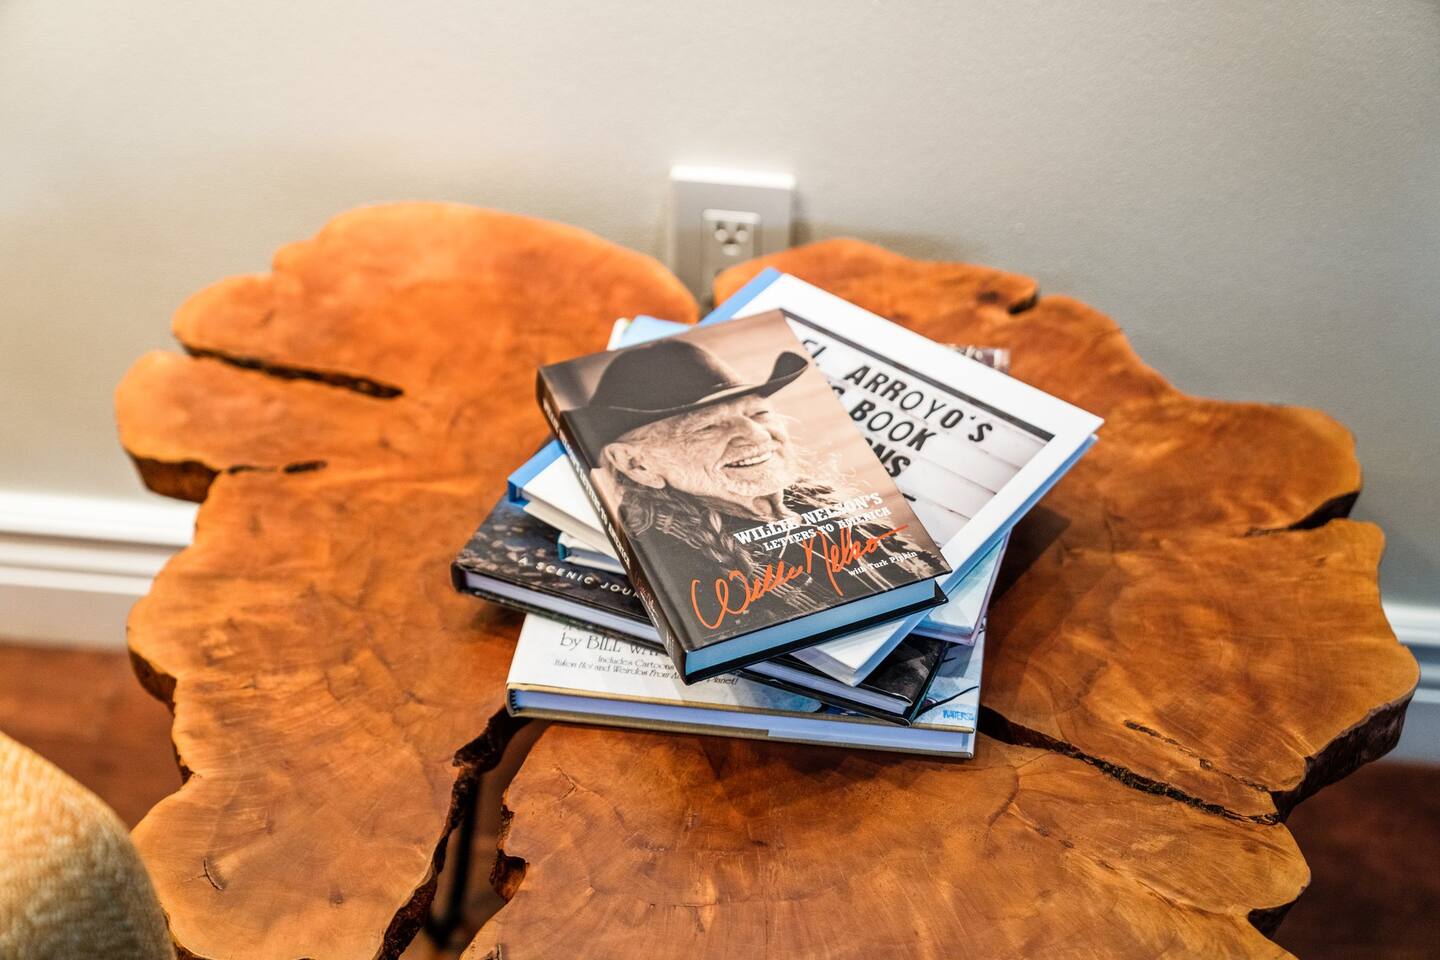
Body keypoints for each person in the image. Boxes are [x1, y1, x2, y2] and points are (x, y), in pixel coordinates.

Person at [571, 336, 936, 623]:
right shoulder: (678, 567)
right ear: (637, 464)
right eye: (708, 427)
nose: (758, 435)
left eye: (759, 413)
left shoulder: (816, 501)